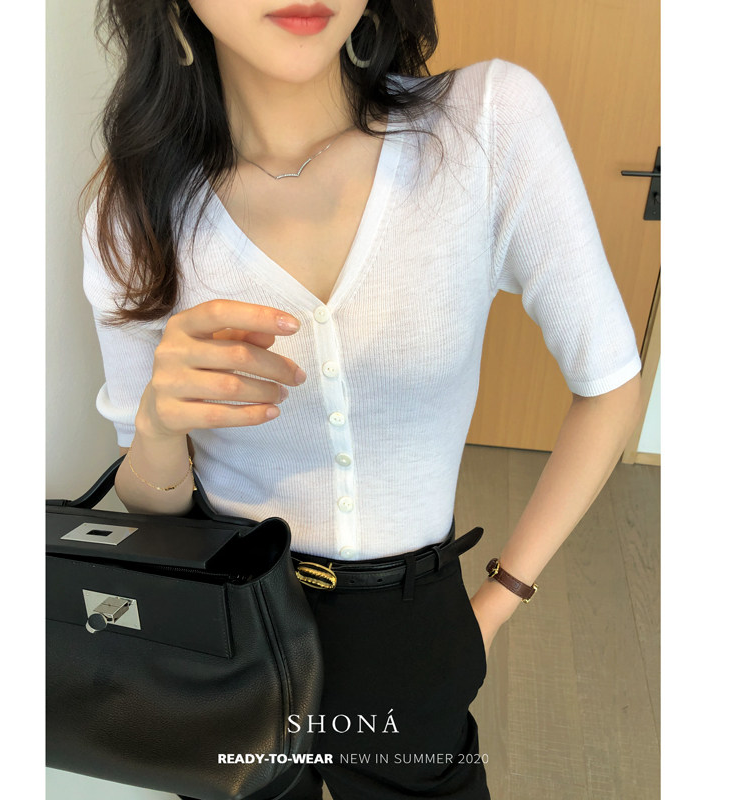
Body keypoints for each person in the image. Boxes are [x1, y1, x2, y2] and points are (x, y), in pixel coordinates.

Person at [80, 1, 645, 798]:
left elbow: (610, 381)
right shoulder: (134, 205)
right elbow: (149, 507)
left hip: (410, 627)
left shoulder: (484, 123)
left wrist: (496, 601)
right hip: (230, 627)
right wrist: (157, 425)